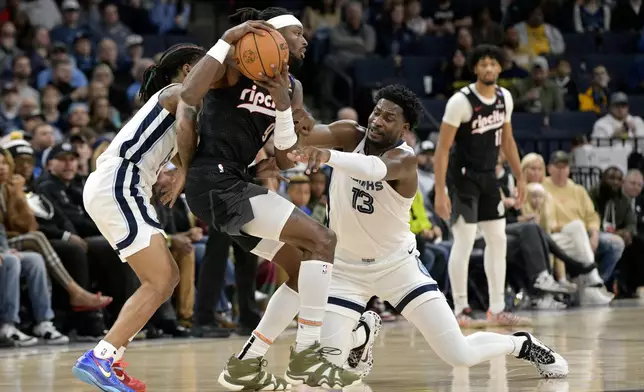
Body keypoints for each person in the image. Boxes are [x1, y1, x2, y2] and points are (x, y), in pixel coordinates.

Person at [287, 84, 568, 380]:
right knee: (328, 366)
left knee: (460, 354)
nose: (377, 120)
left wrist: (326, 156)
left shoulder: (404, 159)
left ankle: (521, 344)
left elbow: (372, 169)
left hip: (397, 267)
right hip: (345, 269)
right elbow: (303, 134)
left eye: (388, 118)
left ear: (405, 127)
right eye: (376, 112)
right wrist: (289, 105)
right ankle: (363, 334)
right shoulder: (349, 134)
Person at [177, 7, 360, 391]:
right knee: (323, 240)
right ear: (271, 39)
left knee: (299, 271)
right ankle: (308, 356)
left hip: (235, 182)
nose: (304, 39)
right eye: (296, 33)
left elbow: (282, 154)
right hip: (213, 179)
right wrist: (226, 40)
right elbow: (190, 95)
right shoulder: (233, 66)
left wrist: (282, 107)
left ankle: (247, 362)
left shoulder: (292, 87)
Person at [71, 43, 211, 392]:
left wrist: (181, 168)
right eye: (208, 66)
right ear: (188, 69)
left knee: (166, 278)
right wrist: (181, 171)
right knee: (159, 278)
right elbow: (186, 129)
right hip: (120, 181)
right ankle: (100, 357)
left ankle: (111, 357)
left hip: (123, 185)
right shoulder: (179, 91)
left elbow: (186, 137)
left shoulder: (184, 101)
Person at [432, 44, 530, 327]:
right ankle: (460, 309)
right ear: (475, 68)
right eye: (483, 64)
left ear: (500, 68)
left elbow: (508, 141)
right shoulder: (460, 101)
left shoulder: (504, 98)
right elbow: (442, 150)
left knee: (498, 240)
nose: (488, 68)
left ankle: (497, 309)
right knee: (463, 241)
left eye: (493, 64)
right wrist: (440, 190)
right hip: (462, 179)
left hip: (489, 177)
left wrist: (519, 177)